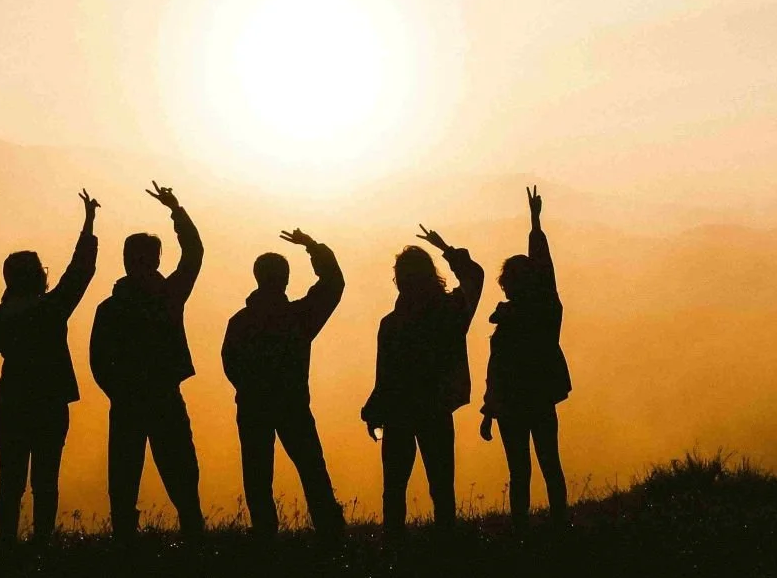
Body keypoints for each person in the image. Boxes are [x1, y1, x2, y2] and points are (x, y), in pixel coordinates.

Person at [0, 188, 99, 543]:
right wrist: (89, 224)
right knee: (45, 481)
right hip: (50, 403)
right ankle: (43, 542)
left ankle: (7, 544)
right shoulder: (51, 310)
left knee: (10, 482)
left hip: (13, 403)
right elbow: (80, 273)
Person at [89, 182, 204, 541]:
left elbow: (98, 361)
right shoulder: (167, 296)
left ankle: (127, 541)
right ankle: (193, 538)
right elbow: (194, 253)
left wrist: (118, 390)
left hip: (129, 400)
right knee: (178, 472)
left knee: (126, 476)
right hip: (161, 396)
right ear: (155, 259)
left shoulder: (113, 307)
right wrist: (176, 209)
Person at [221, 229, 346, 539]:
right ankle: (330, 530)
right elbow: (334, 284)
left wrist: (250, 389)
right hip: (292, 405)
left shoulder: (241, 321)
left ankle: (265, 534)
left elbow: (230, 362)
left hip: (252, 406)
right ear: (286, 279)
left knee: (257, 474)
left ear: (257, 277)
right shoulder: (298, 317)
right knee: (311, 468)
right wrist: (313, 247)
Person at [361, 226, 484, 537]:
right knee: (441, 486)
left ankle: (394, 548)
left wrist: (374, 412)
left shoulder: (391, 324)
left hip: (398, 412)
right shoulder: (450, 312)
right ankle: (446, 547)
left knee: (394, 488)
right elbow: (474, 277)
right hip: (435, 408)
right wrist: (446, 248)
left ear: (400, 279)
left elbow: (384, 375)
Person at [479, 186, 571, 530]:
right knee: (549, 464)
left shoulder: (525, 314)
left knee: (521, 472)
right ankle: (558, 526)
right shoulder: (546, 310)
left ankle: (522, 532)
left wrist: (490, 410)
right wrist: (534, 224)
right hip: (537, 399)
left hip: (513, 405)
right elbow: (545, 271)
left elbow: (496, 371)